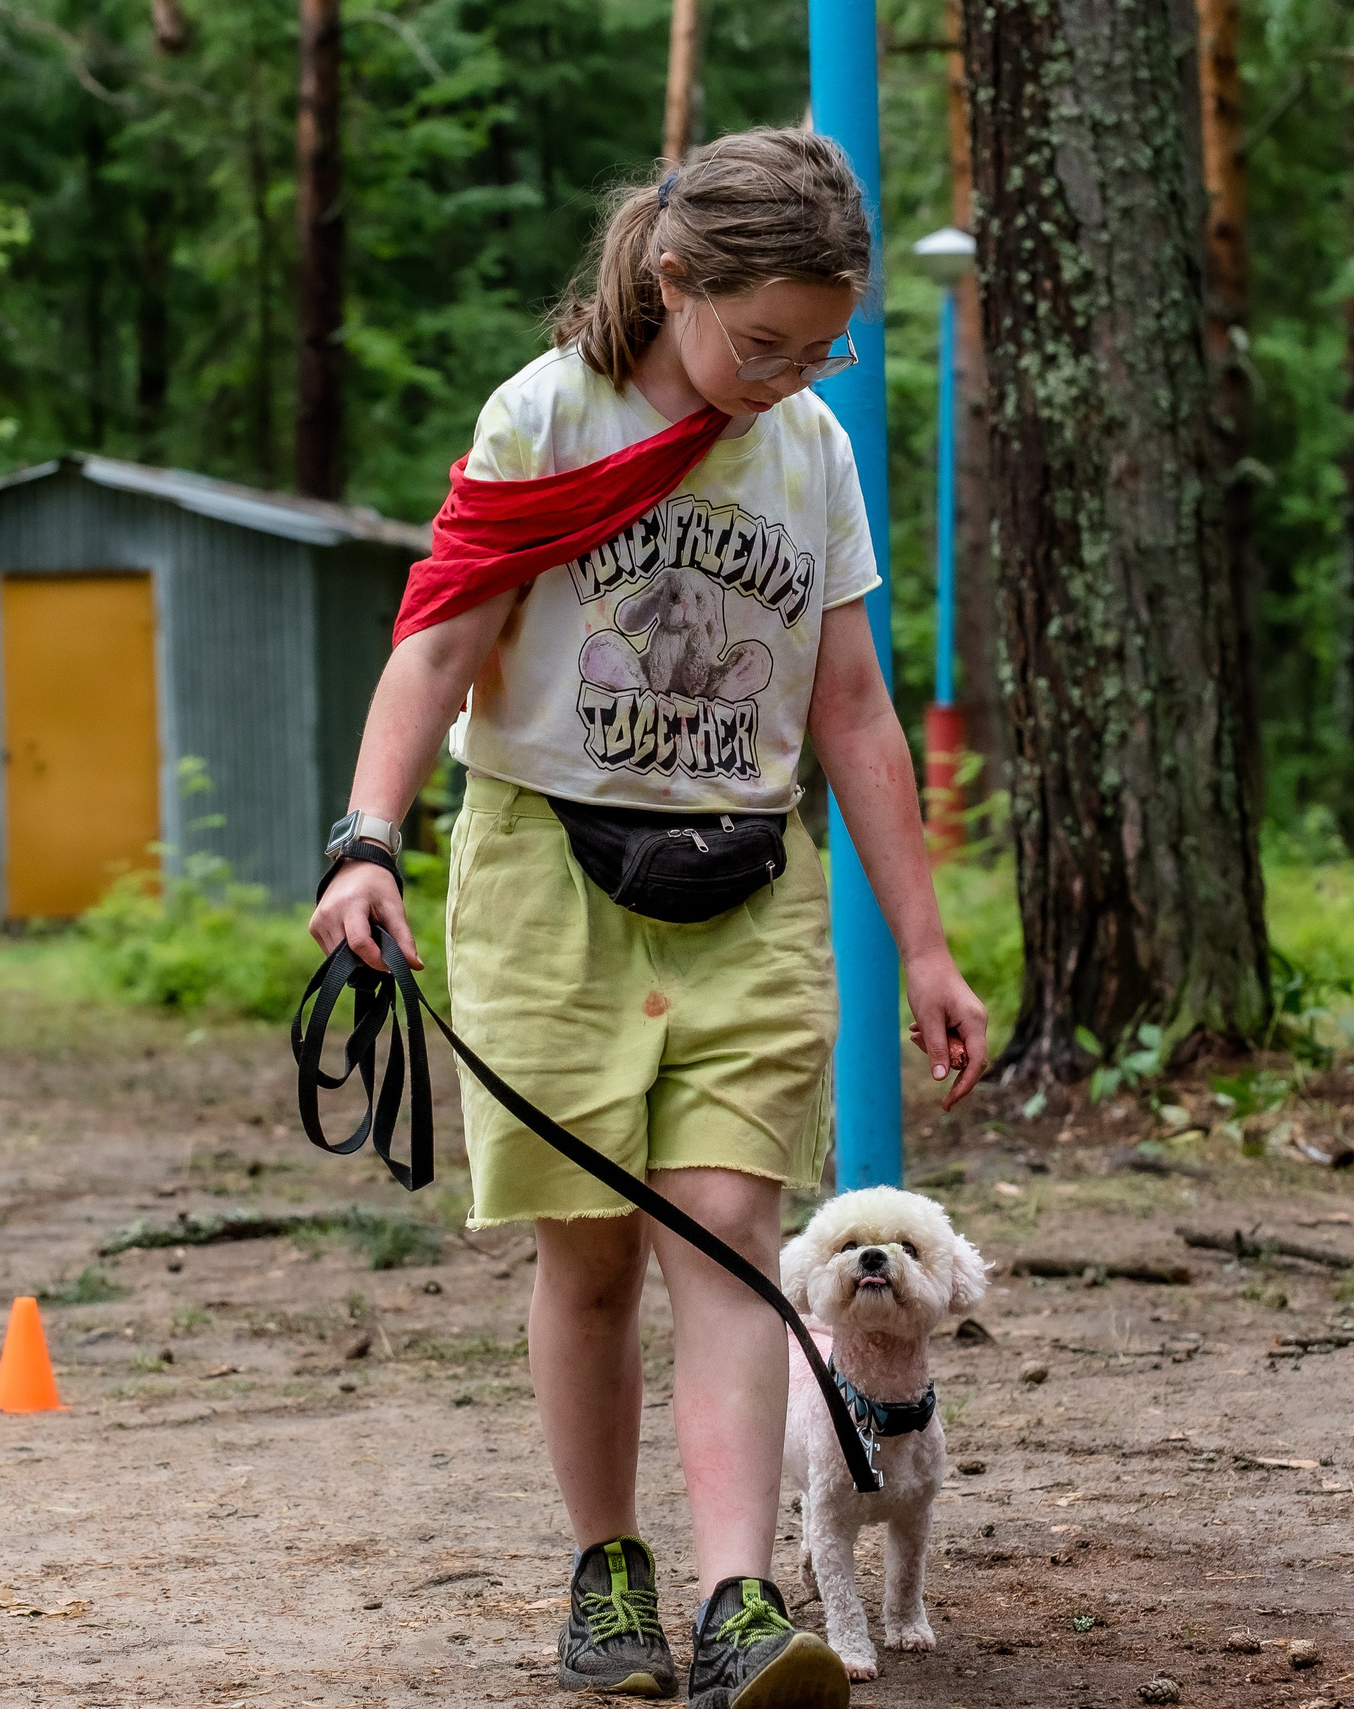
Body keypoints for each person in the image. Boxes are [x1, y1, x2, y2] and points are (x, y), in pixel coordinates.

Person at [308, 126, 991, 1709]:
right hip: (550, 865)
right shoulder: (547, 416)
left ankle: (737, 1596)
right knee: (595, 1252)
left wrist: (930, 942)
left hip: (747, 877)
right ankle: (609, 1563)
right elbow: (435, 643)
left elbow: (857, 711)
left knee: (736, 1241)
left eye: (822, 345)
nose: (789, 373)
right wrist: (365, 842)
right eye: (764, 342)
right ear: (676, 281)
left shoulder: (811, 450)